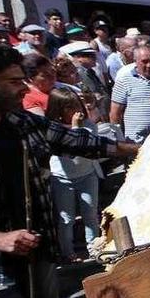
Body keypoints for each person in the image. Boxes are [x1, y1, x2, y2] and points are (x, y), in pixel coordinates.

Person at [0, 40, 137, 298]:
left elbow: (85, 142)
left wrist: (147, 147)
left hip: (34, 244)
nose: (25, 88)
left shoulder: (22, 124)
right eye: (13, 82)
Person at [44, 88, 101, 262]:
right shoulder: (53, 129)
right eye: (69, 107)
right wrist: (75, 128)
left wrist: (82, 125)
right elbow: (72, 148)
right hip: (63, 178)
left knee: (90, 214)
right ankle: (68, 253)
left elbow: (90, 145)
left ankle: (94, 249)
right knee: (66, 219)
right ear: (58, 110)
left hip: (87, 175)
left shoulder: (88, 125)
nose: (75, 110)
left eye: (77, 105)